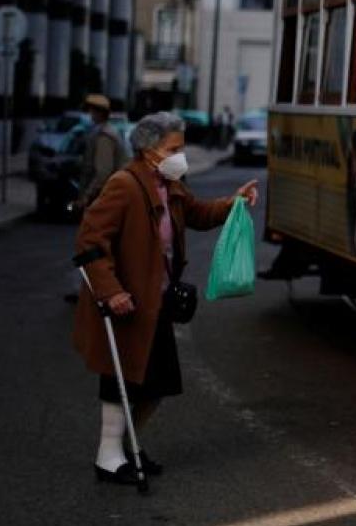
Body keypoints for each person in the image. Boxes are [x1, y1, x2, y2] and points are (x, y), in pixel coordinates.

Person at [72, 111, 258, 485]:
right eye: (173, 148)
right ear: (148, 150)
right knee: (120, 380)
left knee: (157, 383)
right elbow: (90, 240)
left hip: (154, 303)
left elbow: (197, 213)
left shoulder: (170, 184)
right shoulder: (124, 185)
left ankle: (128, 445)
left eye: (181, 147)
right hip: (127, 302)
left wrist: (231, 202)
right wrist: (111, 292)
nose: (180, 155)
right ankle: (108, 455)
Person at [76, 94, 128, 210]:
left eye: (89, 110)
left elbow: (103, 171)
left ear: (98, 113)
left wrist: (87, 195)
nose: (87, 114)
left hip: (103, 197)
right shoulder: (101, 132)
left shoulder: (104, 136)